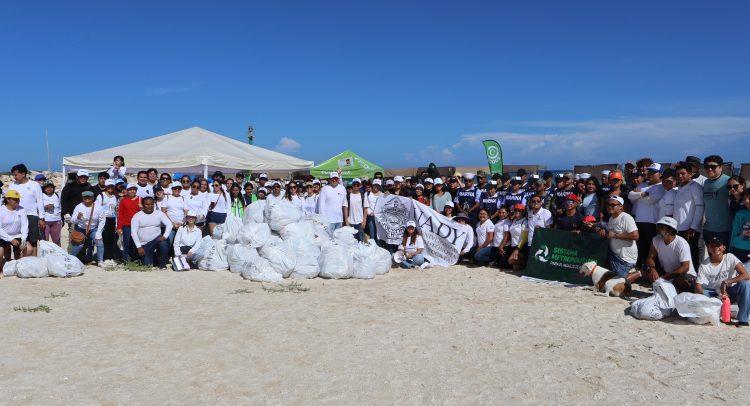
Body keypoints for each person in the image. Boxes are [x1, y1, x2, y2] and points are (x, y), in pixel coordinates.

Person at [696, 237, 750, 327]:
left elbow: (746, 275)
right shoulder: (704, 265)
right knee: (699, 294)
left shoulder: (730, 257)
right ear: (708, 248)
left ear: (724, 247)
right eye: (712, 246)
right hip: (715, 294)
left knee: (745, 284)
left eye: (718, 245)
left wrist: (726, 282)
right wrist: (712, 297)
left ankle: (743, 320)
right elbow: (698, 286)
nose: (716, 248)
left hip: (731, 292)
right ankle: (719, 308)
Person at [645, 216, 697, 293]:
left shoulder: (681, 243)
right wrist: (652, 268)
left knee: (681, 281)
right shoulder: (656, 239)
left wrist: (664, 278)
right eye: (658, 225)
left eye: (661, 226)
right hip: (667, 273)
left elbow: (685, 267)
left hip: (684, 275)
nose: (658, 228)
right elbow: (650, 258)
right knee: (647, 273)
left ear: (670, 230)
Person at [628, 163, 666, 269]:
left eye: (653, 172)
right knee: (640, 247)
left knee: (651, 248)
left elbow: (650, 200)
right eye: (649, 172)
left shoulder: (661, 186)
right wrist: (642, 194)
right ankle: (641, 269)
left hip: (652, 222)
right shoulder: (643, 185)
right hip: (639, 220)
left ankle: (652, 269)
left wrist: (637, 195)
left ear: (660, 174)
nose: (650, 174)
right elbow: (630, 196)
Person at [600, 196, 640, 283]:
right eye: (608, 205)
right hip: (614, 256)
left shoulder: (626, 217)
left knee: (618, 282)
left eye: (613, 205)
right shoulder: (611, 218)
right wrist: (603, 231)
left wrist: (615, 235)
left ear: (621, 206)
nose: (610, 207)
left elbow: (635, 236)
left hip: (625, 259)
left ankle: (640, 272)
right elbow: (610, 233)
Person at [8, 164, 46, 255]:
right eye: (13, 175)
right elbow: (7, 201)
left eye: (16, 175)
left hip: (32, 215)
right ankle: (18, 261)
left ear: (23, 174)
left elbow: (40, 201)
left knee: (33, 240)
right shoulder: (12, 185)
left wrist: (41, 218)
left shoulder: (34, 185)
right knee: (18, 239)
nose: (14, 177)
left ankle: (34, 261)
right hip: (16, 215)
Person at [674, 162, 705, 267]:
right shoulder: (680, 187)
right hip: (679, 228)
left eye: (683, 173)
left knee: (692, 255)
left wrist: (693, 227)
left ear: (690, 174)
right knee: (682, 255)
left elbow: (700, 207)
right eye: (678, 174)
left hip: (690, 229)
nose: (680, 176)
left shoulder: (695, 186)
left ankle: (695, 275)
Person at [131, 196, 171, 268]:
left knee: (164, 243)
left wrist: (165, 236)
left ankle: (163, 264)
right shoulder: (137, 216)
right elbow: (133, 232)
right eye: (147, 204)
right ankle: (154, 256)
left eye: (151, 204)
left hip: (157, 240)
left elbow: (169, 224)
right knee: (148, 265)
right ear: (143, 205)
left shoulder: (159, 213)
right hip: (144, 244)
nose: (150, 206)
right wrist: (139, 247)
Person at [702, 155, 732, 245]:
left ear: (720, 167)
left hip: (725, 229)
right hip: (708, 228)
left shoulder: (728, 181)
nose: (709, 169)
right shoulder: (706, 182)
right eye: (707, 166)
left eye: (713, 166)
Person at [70, 191, 106, 265]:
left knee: (99, 242)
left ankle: (100, 261)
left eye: (89, 197)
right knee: (79, 245)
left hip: (93, 228)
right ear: (82, 198)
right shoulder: (78, 207)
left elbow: (102, 220)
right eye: (85, 197)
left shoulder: (98, 207)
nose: (87, 199)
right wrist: (78, 217)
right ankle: (70, 259)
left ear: (92, 198)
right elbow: (73, 220)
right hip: (81, 228)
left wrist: (99, 232)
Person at [0, 190, 30, 268]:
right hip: (3, 236)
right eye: (15, 199)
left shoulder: (22, 209)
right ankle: (2, 268)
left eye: (18, 199)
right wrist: (10, 239)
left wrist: (24, 239)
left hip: (17, 235)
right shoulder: (1, 210)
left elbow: (24, 225)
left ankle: (21, 265)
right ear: (8, 199)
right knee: (0, 253)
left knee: (29, 249)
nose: (18, 200)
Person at [316, 171, 347, 237]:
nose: (334, 180)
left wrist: (345, 219)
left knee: (338, 240)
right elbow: (321, 206)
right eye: (333, 178)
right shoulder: (325, 189)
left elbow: (345, 204)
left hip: (339, 220)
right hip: (328, 221)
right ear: (329, 179)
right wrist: (323, 220)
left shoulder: (342, 188)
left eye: (336, 178)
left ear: (338, 179)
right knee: (329, 240)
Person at [96, 179, 120, 261]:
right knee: (104, 238)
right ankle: (104, 257)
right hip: (103, 219)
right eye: (109, 186)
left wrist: (116, 222)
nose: (110, 188)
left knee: (111, 238)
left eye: (112, 186)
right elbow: (97, 208)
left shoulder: (115, 197)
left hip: (112, 219)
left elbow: (116, 210)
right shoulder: (101, 196)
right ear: (106, 186)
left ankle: (110, 256)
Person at [117, 184, 141, 262]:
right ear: (127, 190)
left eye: (134, 189)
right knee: (127, 242)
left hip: (138, 225)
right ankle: (126, 259)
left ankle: (136, 259)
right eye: (130, 189)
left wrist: (142, 208)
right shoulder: (123, 200)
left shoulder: (141, 199)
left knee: (136, 242)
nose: (132, 191)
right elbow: (120, 214)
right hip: (126, 225)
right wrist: (119, 227)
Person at [504, 204, 529, 271]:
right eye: (515, 210)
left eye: (520, 210)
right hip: (513, 246)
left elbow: (524, 238)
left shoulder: (525, 222)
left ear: (523, 212)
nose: (517, 212)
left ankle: (529, 263)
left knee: (510, 260)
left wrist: (517, 249)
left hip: (521, 247)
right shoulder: (514, 220)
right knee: (515, 267)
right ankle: (525, 264)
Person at [729, 190, 750, 265]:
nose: (746, 201)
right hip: (737, 248)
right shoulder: (740, 213)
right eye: (744, 199)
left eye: (749, 198)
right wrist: (730, 248)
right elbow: (734, 232)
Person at [41, 182, 62, 246]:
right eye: (47, 187)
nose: (49, 189)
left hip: (56, 220)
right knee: (45, 241)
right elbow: (37, 208)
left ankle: (58, 252)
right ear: (44, 188)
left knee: (57, 241)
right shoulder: (40, 195)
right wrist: (45, 207)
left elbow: (61, 207)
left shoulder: (57, 195)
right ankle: (46, 253)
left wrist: (62, 219)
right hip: (45, 221)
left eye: (51, 187)